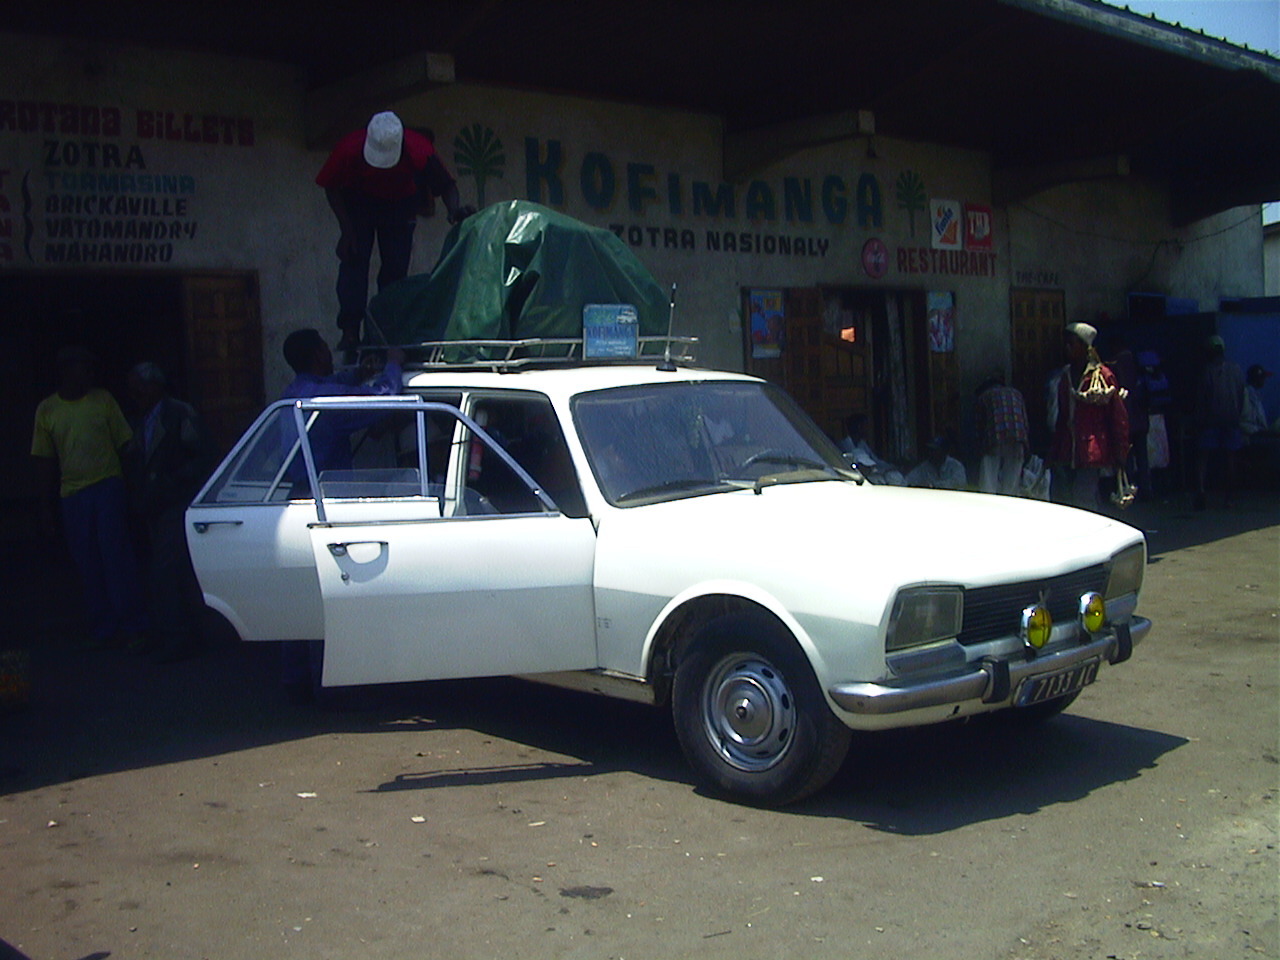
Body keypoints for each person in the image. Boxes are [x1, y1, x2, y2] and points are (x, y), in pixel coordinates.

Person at [316, 110, 476, 351]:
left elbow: (446, 185)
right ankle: (350, 331)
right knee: (354, 262)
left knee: (395, 270)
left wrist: (453, 211)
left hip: (399, 206)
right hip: (359, 204)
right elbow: (331, 187)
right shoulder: (348, 149)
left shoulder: (418, 149)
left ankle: (388, 328)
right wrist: (346, 229)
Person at [31, 346, 146, 648]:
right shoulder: (47, 410)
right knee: (88, 563)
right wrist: (45, 506)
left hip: (108, 487)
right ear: (67, 371)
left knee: (116, 558)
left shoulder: (103, 400)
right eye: (83, 367)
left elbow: (126, 444)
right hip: (72, 495)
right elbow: (44, 459)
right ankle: (103, 628)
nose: (89, 374)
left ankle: (133, 626)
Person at [125, 362, 216, 663]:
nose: (136, 394)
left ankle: (179, 637)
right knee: (165, 572)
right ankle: (176, 633)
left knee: (168, 572)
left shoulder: (178, 413)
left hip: (175, 502)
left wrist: (171, 482)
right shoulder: (141, 418)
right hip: (154, 503)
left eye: (141, 387)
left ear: (155, 386)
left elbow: (201, 458)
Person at [1049, 322, 1129, 512]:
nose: (1067, 348)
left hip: (1091, 449)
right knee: (1069, 500)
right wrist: (1053, 451)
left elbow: (1117, 416)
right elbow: (1062, 416)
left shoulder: (1102, 377)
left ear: (1085, 347)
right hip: (1068, 450)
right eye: (1065, 344)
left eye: (1072, 343)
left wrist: (1121, 451)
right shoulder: (1066, 376)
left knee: (1083, 498)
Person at [1193, 335, 1245, 510]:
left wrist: (1200, 420)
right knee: (1231, 458)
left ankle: (1201, 491)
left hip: (1211, 420)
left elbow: (1202, 399)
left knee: (1203, 457)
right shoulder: (1236, 370)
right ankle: (1229, 497)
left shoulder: (1207, 371)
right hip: (1231, 419)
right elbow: (1240, 395)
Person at [974, 374, 1028, 496]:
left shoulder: (984, 396)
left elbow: (979, 427)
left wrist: (980, 448)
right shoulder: (1017, 394)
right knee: (1012, 482)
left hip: (996, 438)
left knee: (989, 478)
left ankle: (988, 504)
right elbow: (1025, 422)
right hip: (1018, 438)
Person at [837, 413, 904, 485]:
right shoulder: (845, 445)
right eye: (865, 426)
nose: (868, 429)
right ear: (858, 427)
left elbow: (876, 460)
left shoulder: (862, 443)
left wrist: (892, 467)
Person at [1241, 364, 1272, 438]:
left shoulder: (1253, 394)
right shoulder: (1246, 393)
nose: (1264, 380)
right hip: (1250, 438)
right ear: (1256, 379)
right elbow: (1244, 420)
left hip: (1255, 435)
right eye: (1262, 378)